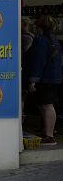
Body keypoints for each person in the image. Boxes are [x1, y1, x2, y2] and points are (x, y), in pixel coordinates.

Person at [28, 15, 62, 146]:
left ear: (39, 27)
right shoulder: (54, 40)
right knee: (43, 104)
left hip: (45, 78)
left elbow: (39, 61)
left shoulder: (41, 41)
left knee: (47, 105)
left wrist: (33, 80)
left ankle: (49, 136)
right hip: (53, 77)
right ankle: (48, 131)